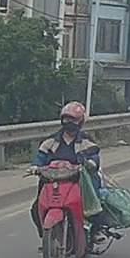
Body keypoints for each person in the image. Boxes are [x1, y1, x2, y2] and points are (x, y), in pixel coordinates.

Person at [30, 101, 102, 238]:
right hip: (53, 180)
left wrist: (91, 163)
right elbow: (40, 157)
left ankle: (95, 231)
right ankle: (45, 235)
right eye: (66, 119)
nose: (69, 122)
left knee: (93, 202)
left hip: (78, 179)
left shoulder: (86, 141)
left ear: (80, 121)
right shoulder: (51, 141)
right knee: (36, 207)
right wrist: (35, 166)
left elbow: (94, 156)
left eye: (73, 119)